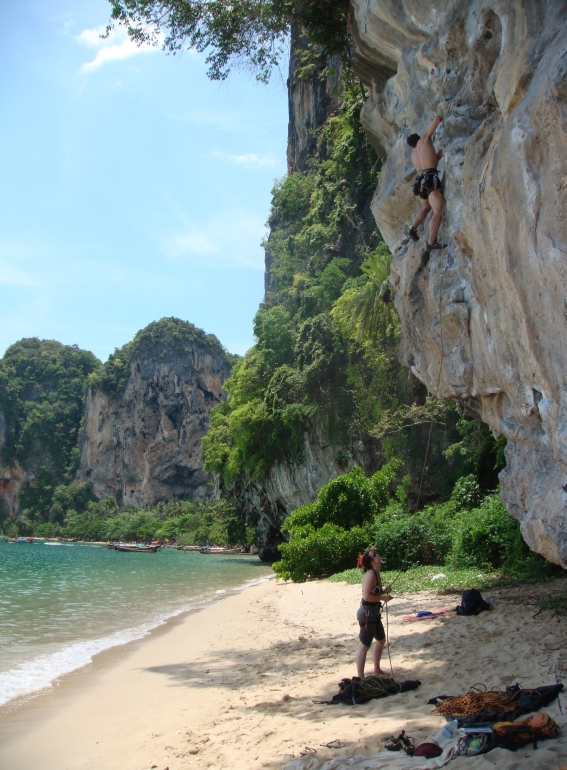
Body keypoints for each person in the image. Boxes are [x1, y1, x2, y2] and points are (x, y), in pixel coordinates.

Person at [407, 115, 444, 251]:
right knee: (437, 212)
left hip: (420, 183)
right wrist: (438, 118)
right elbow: (436, 120)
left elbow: (427, 164)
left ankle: (413, 228)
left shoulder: (413, 155)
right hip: (431, 181)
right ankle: (431, 242)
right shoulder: (424, 140)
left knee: (426, 207)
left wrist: (437, 158)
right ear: (418, 138)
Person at [355, 548, 392, 678]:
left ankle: (376, 669)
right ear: (372, 562)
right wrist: (383, 598)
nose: (378, 555)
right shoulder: (371, 575)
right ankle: (360, 677)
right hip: (367, 614)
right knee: (365, 645)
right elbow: (366, 597)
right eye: (375, 555)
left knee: (381, 640)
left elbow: (373, 593)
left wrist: (384, 591)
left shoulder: (376, 573)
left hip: (374, 613)